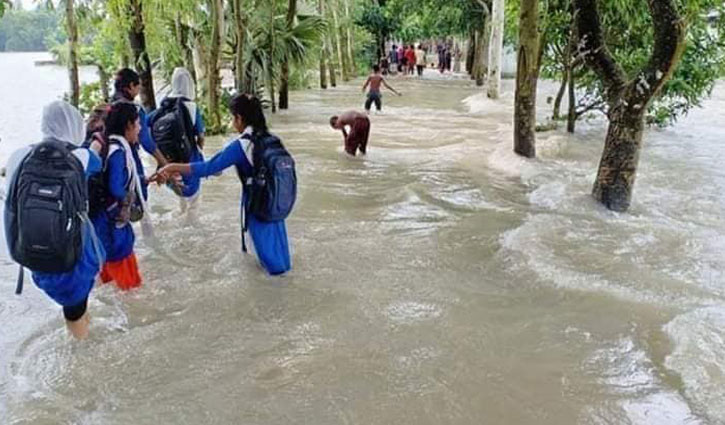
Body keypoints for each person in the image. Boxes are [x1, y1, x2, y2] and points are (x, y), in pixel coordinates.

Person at [151, 95, 293, 276]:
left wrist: (172, 167)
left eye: (233, 118)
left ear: (240, 118)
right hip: (276, 205)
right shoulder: (271, 139)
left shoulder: (243, 145)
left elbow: (208, 168)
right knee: (280, 260)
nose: (234, 123)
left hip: (256, 206)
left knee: (264, 263)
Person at [4, 101, 105, 339]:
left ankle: (80, 330)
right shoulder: (81, 156)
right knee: (75, 312)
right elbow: (96, 163)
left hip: (29, 250)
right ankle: (81, 355)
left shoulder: (19, 156)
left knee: (73, 307)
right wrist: (96, 143)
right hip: (71, 252)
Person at [91, 102, 146, 291]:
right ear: (128, 125)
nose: (140, 128)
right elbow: (115, 187)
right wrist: (130, 201)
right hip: (113, 226)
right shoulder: (118, 151)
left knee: (106, 278)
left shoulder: (106, 145)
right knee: (131, 288)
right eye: (138, 123)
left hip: (100, 223)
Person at [148, 67, 206, 214]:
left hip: (167, 162)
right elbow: (201, 136)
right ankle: (191, 226)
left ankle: (181, 215)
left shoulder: (163, 107)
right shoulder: (192, 107)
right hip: (189, 159)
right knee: (194, 202)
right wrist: (198, 151)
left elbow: (144, 123)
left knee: (180, 196)